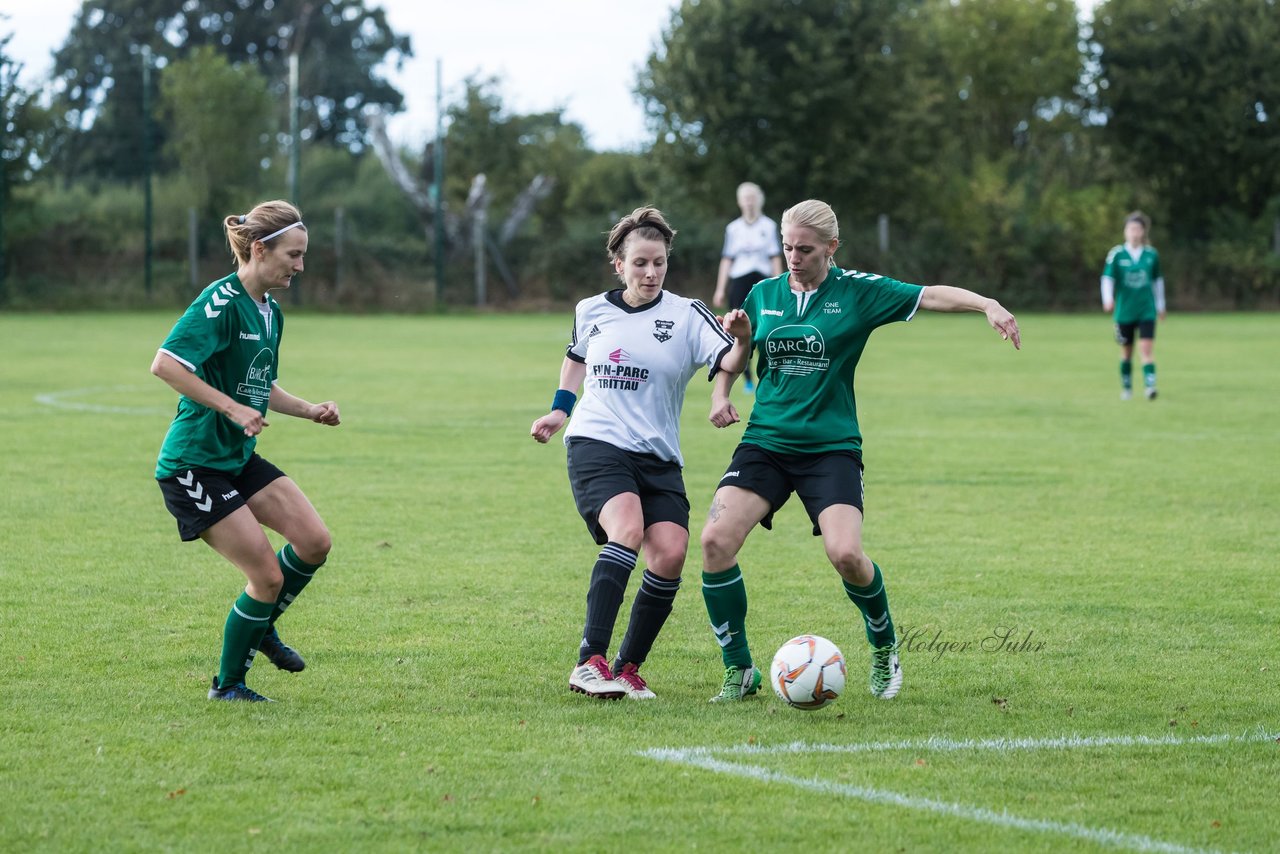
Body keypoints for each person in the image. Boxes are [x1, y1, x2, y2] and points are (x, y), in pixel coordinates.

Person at [699, 199, 1021, 703]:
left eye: (805, 249)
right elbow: (736, 355)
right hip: (765, 442)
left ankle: (883, 645)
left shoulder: (859, 292)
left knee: (846, 554)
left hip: (831, 448)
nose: (794, 257)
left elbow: (930, 295)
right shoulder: (763, 294)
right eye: (787, 247)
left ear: (832, 248)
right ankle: (739, 669)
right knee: (715, 542)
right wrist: (720, 395)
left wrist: (988, 304)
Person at [531, 206, 751, 700]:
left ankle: (628, 668)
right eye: (640, 264)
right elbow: (575, 360)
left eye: (659, 263)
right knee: (627, 530)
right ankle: (590, 660)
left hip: (659, 454)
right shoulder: (592, 309)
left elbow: (729, 361)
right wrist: (559, 412)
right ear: (619, 265)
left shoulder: (687, 314)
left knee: (671, 553)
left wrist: (742, 338)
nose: (650, 273)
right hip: (597, 442)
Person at [151, 199, 340, 703]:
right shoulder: (217, 302)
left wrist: (310, 409)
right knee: (266, 575)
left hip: (236, 458)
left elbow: (262, 385)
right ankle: (228, 685)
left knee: (315, 541)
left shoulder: (270, 313)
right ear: (260, 249)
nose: (300, 266)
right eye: (293, 255)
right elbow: (166, 366)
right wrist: (232, 409)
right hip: (194, 465)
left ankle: (262, 622)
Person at [712, 182, 783, 393]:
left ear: (759, 200)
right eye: (745, 197)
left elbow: (775, 258)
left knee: (767, 328)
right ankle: (747, 378)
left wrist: (780, 286)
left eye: (753, 197)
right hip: (739, 282)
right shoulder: (733, 229)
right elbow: (727, 260)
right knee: (739, 332)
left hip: (762, 281)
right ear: (739, 201)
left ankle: (769, 375)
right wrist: (720, 289)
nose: (749, 201)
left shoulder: (768, 226)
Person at [1101, 211, 1166, 400]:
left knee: (1146, 350)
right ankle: (1127, 388)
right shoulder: (1117, 254)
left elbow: (1157, 281)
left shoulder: (1151, 255)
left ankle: (1150, 387)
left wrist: (1161, 306)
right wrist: (1107, 299)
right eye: (1130, 229)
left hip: (1146, 309)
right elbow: (1107, 278)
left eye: (1137, 229)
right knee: (1127, 352)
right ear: (1125, 231)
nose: (1134, 232)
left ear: (1143, 232)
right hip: (1124, 311)